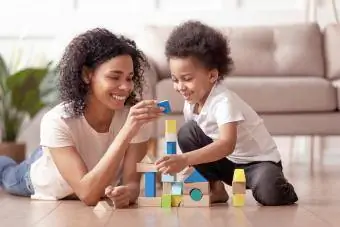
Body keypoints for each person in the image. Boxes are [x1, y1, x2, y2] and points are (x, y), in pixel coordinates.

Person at [0, 28, 164, 208]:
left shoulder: (134, 119)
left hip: (67, 149)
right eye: (114, 77)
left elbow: (132, 183)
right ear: (87, 75)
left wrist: (127, 194)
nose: (126, 87)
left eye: (129, 78)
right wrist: (127, 130)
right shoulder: (58, 119)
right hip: (45, 176)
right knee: (7, 173)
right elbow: (88, 194)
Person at [155, 21, 298, 206]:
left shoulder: (224, 101)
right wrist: (184, 167)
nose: (180, 87)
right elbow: (197, 142)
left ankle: (283, 188)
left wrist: (184, 159)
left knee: (270, 194)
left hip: (257, 164)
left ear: (212, 76)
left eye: (187, 79)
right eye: (175, 79)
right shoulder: (190, 102)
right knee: (187, 132)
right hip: (226, 164)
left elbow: (226, 145)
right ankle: (216, 189)